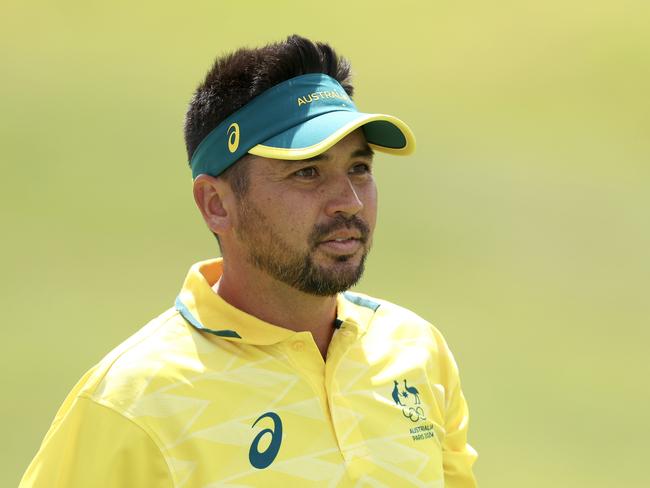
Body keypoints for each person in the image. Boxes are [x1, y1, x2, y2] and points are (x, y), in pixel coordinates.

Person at [20, 35, 478, 487]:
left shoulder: (416, 351)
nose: (350, 201)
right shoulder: (132, 403)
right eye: (307, 172)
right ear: (215, 203)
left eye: (359, 167)